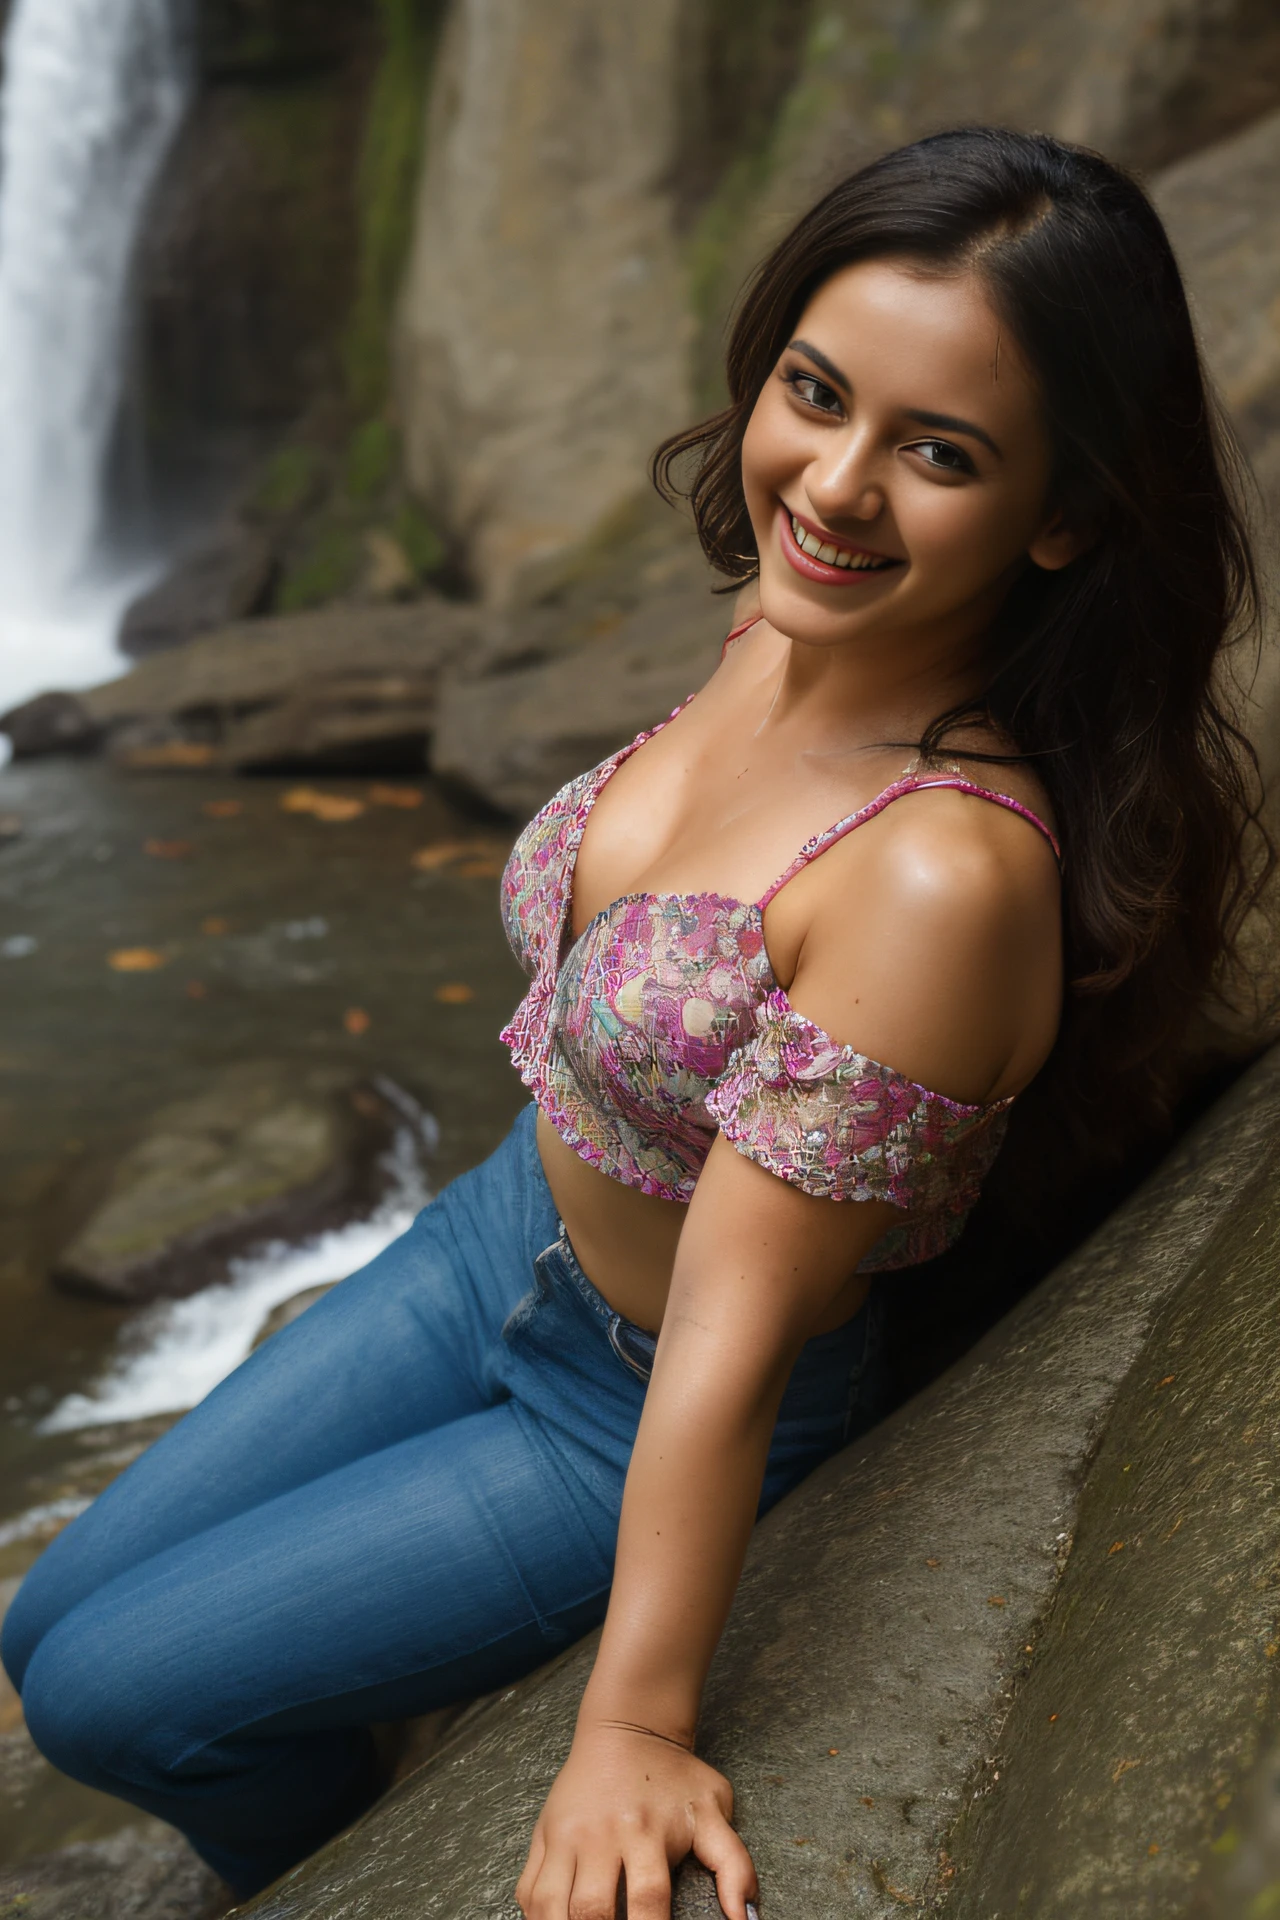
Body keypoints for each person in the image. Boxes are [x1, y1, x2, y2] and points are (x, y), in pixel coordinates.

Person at [2, 127, 1265, 1920]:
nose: (831, 486)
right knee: (49, 1620)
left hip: (616, 1405)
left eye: (941, 453)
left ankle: (324, 1846)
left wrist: (631, 1729)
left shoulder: (938, 882)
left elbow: (733, 1345)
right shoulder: (783, 628)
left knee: (108, 1699)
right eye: (815, 394)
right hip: (492, 1232)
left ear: (1063, 512)